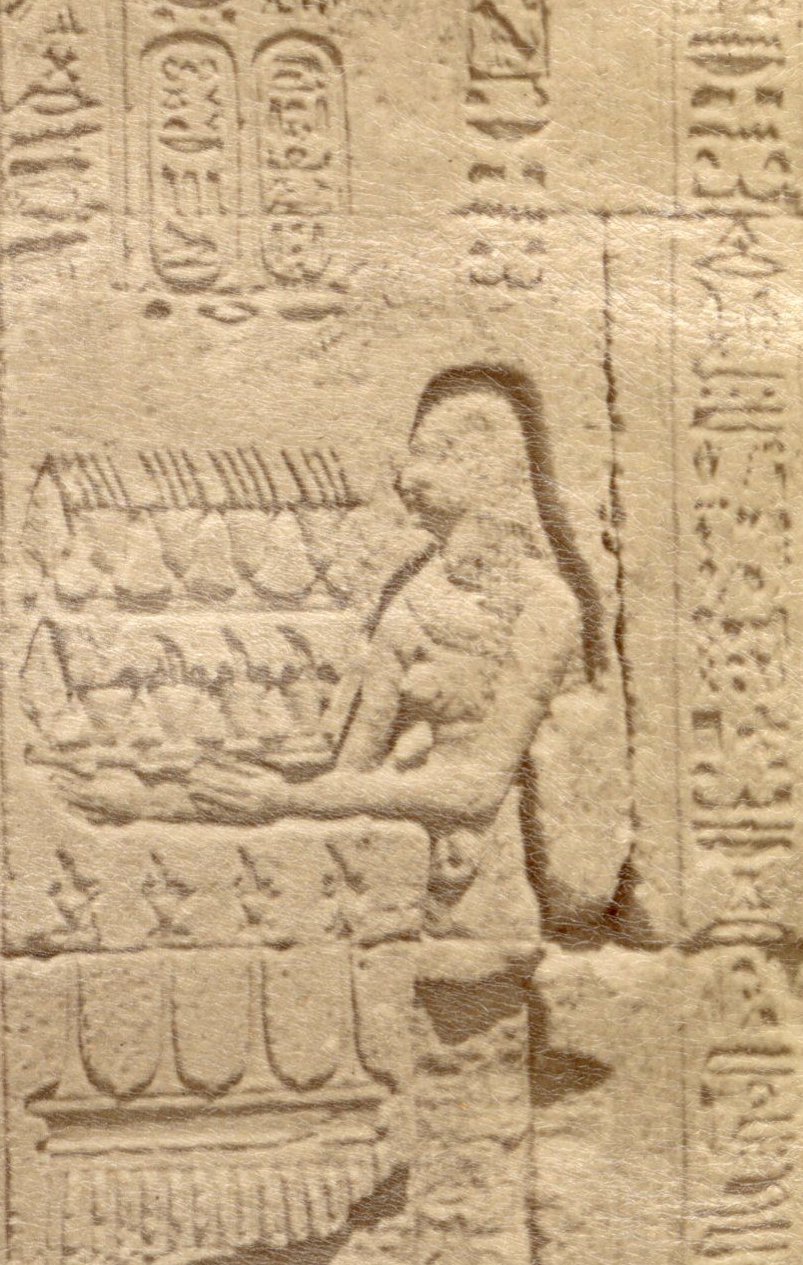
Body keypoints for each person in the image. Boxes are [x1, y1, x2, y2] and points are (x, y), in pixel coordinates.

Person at [183, 370, 605, 923]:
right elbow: (354, 765)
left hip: (478, 881)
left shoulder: (546, 604)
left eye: (431, 456)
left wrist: (285, 800)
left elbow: (477, 789)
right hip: (381, 860)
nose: (406, 478)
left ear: (484, 467)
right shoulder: (411, 588)